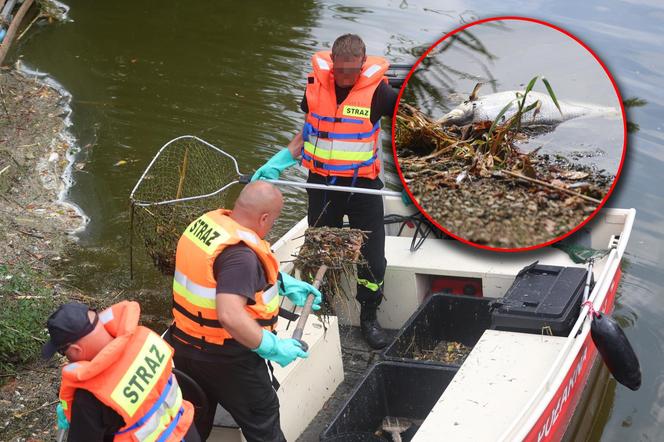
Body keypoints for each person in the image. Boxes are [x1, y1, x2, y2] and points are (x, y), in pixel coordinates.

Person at [252, 34, 398, 349]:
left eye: (352, 70)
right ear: (332, 63)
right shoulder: (314, 87)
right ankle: (324, 310)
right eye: (340, 70)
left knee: (374, 260)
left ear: (362, 63)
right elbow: (308, 130)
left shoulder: (381, 93)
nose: (346, 77)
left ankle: (368, 316)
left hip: (363, 190)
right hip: (321, 187)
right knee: (318, 253)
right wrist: (277, 164)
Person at [166, 180, 323, 441]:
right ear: (263, 217)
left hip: (185, 349)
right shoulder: (242, 256)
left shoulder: (208, 227)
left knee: (192, 424)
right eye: (272, 221)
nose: (271, 227)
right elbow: (230, 315)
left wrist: (281, 284)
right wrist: (272, 347)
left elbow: (215, 277)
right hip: (228, 360)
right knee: (263, 421)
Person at [42, 300, 199, 442]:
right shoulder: (145, 339)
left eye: (63, 352)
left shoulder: (89, 397)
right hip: (184, 430)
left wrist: (78, 417)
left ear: (76, 350)